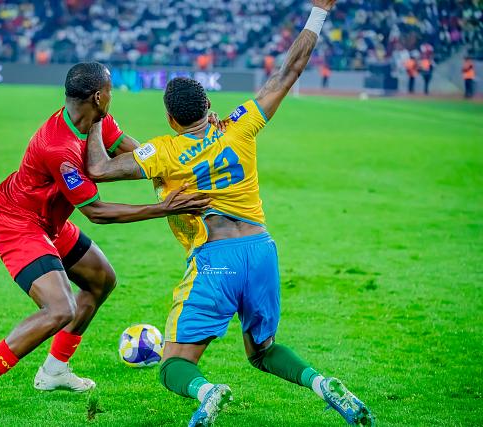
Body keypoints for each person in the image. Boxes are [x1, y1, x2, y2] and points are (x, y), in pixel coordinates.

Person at [84, 1, 374, 426]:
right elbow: (288, 71)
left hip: (216, 259)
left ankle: (207, 391)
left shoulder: (163, 151)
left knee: (173, 363)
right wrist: (318, 12)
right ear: (208, 106)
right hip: (261, 250)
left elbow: (98, 169)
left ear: (170, 118)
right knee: (263, 351)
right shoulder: (240, 125)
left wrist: (97, 118)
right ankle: (321, 383)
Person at [0, 62, 212, 421]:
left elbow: (131, 151)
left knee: (101, 279)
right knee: (59, 309)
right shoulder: (58, 147)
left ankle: (54, 370)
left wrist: (174, 166)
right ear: (98, 96)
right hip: (17, 222)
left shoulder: (97, 119)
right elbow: (97, 212)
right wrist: (163, 208)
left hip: (50, 222)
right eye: (110, 89)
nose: (113, 95)